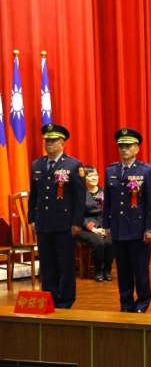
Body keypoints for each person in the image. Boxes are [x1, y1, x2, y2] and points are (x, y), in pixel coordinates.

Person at [27, 123, 86, 309]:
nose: (49, 143)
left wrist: (77, 222)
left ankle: (65, 300)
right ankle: (49, 298)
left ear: (63, 143)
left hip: (64, 223)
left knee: (65, 264)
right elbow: (34, 195)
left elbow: (79, 197)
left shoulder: (73, 165)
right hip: (43, 222)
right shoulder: (37, 164)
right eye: (47, 140)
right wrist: (32, 218)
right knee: (47, 264)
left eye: (53, 140)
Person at [104, 128, 151, 313]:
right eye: (121, 146)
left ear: (137, 148)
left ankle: (142, 302)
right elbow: (108, 201)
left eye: (128, 146)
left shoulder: (146, 170)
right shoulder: (111, 170)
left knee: (140, 269)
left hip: (137, 229)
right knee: (123, 270)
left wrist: (150, 228)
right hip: (118, 228)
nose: (124, 149)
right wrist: (107, 225)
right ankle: (126, 303)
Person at [77, 165, 114, 282]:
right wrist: (93, 229)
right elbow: (79, 215)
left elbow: (110, 212)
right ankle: (98, 271)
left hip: (103, 226)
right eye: (90, 175)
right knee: (98, 243)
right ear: (84, 178)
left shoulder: (104, 192)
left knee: (110, 242)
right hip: (85, 227)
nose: (94, 178)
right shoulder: (80, 194)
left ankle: (107, 270)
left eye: (95, 175)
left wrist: (105, 228)